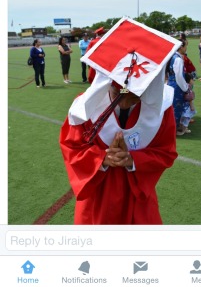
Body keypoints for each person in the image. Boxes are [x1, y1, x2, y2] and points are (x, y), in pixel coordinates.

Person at [59, 17, 181, 225]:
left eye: (133, 95)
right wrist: (102, 158)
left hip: (138, 199)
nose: (124, 103)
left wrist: (133, 160)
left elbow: (166, 153)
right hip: (98, 199)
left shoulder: (162, 108)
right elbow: (72, 148)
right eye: (117, 92)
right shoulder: (85, 108)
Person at [167, 39, 189, 136]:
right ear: (181, 47)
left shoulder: (172, 56)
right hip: (177, 86)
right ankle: (173, 131)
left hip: (171, 84)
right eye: (185, 46)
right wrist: (186, 88)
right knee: (176, 108)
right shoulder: (178, 59)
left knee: (172, 108)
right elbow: (179, 77)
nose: (186, 48)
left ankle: (172, 129)